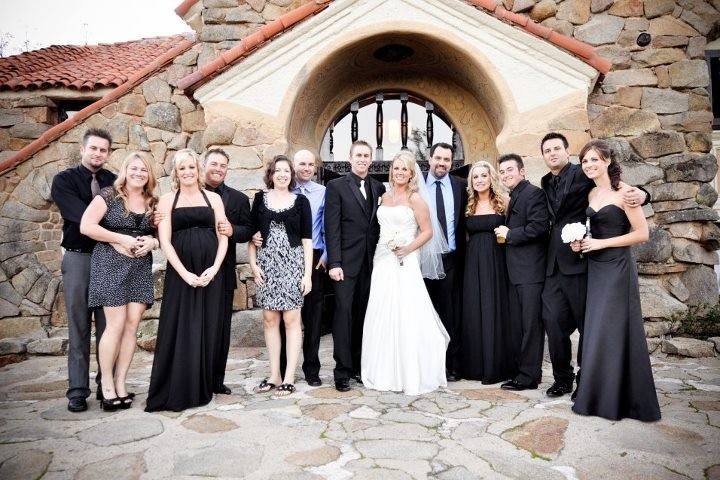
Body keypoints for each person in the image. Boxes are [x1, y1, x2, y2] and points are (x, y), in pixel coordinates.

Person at [540, 132, 648, 398]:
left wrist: (644, 194)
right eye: (547, 150)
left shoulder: (583, 173)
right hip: (553, 264)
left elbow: (622, 191)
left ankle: (584, 380)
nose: (552, 153)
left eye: (557, 148)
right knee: (552, 321)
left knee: (588, 324)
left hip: (582, 265)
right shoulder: (544, 182)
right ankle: (561, 379)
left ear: (567, 151)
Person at [570, 140, 660, 422]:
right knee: (598, 330)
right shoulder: (592, 194)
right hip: (595, 267)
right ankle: (597, 396)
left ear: (608, 160)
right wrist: (583, 244)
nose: (589, 165)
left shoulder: (627, 192)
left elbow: (642, 233)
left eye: (594, 159)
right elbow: (592, 230)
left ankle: (622, 401)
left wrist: (601, 244)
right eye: (585, 161)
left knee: (615, 329)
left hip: (617, 266)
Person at [145, 149, 228, 412]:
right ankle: (181, 386)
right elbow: (165, 241)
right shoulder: (167, 201)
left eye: (192, 167)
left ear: (198, 170)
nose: (188, 172)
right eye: (183, 169)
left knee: (208, 325)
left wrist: (214, 268)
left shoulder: (214, 198)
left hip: (209, 271)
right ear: (176, 172)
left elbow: (223, 235)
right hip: (182, 273)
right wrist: (184, 274)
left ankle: (203, 384)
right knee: (182, 326)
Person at [361, 151, 449, 395]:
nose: (399, 172)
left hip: (405, 259)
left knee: (407, 311)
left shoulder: (416, 199)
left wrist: (408, 248)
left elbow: (427, 231)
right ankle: (383, 369)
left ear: (411, 173)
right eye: (396, 168)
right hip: (383, 259)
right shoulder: (382, 197)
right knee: (382, 310)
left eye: (404, 169)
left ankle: (411, 371)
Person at [80, 152, 158, 410]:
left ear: (149, 174)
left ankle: (122, 383)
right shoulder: (108, 195)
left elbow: (160, 234)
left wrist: (152, 242)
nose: (138, 173)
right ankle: (107, 387)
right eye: (134, 168)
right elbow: (87, 226)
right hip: (110, 264)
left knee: (132, 326)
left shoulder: (152, 201)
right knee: (114, 326)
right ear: (126, 170)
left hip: (139, 267)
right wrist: (120, 239)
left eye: (143, 170)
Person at [51, 128, 116, 413]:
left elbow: (123, 215)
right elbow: (81, 219)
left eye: (103, 150)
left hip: (109, 259)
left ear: (108, 153)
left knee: (108, 327)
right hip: (79, 258)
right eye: (94, 148)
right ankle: (77, 390)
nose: (98, 154)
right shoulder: (63, 181)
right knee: (78, 325)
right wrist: (113, 228)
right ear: (82, 149)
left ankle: (106, 385)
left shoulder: (114, 182)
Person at [248, 155, 313, 397]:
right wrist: (253, 265)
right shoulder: (259, 199)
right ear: (271, 174)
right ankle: (274, 374)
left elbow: (307, 240)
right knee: (269, 319)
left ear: (291, 175)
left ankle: (289, 377)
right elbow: (252, 237)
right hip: (267, 265)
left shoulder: (301, 202)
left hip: (293, 265)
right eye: (278, 171)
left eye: (287, 171)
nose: (283, 174)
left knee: (292, 319)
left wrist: (307, 275)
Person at [324, 140, 386, 392]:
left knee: (364, 315)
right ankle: (342, 371)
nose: (362, 159)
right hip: (345, 264)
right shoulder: (336, 186)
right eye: (358, 155)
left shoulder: (379, 187)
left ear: (371, 160)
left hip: (372, 263)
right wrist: (335, 262)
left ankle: (361, 367)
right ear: (350, 159)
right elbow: (332, 227)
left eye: (366, 155)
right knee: (343, 314)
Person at [271, 150, 327, 387]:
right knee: (285, 315)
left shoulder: (323, 192)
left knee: (313, 316)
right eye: (301, 164)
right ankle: (283, 368)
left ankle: (311, 369)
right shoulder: (283, 192)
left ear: (315, 168)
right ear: (293, 166)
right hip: (285, 258)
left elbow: (329, 224)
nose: (306, 168)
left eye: (310, 164)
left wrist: (327, 254)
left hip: (314, 256)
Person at [494, 154, 549, 391]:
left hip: (531, 273)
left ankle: (528, 377)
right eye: (502, 172)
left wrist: (510, 235)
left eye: (510, 170)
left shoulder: (533, 193)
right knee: (521, 324)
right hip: (517, 272)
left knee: (531, 325)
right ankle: (524, 371)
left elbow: (538, 227)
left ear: (522, 171)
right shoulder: (514, 196)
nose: (506, 175)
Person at [203, 148, 254, 395]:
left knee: (220, 329)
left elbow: (248, 230)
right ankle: (194, 377)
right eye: (214, 163)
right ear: (204, 164)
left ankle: (215, 380)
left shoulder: (238, 199)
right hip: (191, 269)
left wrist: (233, 230)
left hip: (223, 273)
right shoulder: (190, 194)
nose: (218, 169)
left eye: (223, 165)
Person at [461, 161, 514, 384]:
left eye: (484, 175)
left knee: (495, 308)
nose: (480, 180)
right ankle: (475, 366)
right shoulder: (468, 205)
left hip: (497, 261)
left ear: (491, 177)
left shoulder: (504, 202)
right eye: (475, 177)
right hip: (472, 263)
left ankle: (497, 365)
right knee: (474, 309)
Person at [423, 142, 467, 382]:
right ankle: (428, 365)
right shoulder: (416, 184)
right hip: (423, 259)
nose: (441, 163)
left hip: (452, 259)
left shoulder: (461, 185)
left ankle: (452, 365)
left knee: (451, 313)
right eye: (437, 158)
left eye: (447, 160)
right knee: (425, 313)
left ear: (452, 162)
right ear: (429, 159)